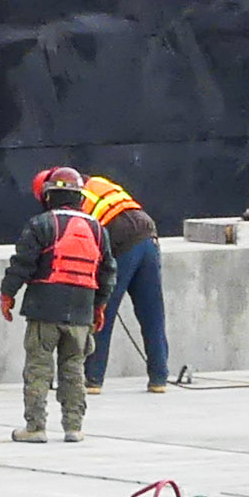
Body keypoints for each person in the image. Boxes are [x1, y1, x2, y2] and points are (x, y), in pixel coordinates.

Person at [0, 166, 118, 443]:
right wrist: (98, 307)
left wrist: (8, 294)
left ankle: (36, 427)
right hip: (81, 313)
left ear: (49, 196)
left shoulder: (41, 224)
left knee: (39, 369)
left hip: (44, 310)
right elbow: (108, 272)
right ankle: (73, 427)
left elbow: (22, 265)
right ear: (80, 197)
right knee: (74, 369)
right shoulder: (97, 229)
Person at [75, 169, 170, 395]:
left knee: (101, 313)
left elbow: (82, 241)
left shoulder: (75, 201)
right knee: (152, 313)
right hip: (148, 234)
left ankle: (93, 378)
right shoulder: (99, 183)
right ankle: (159, 378)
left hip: (121, 240)